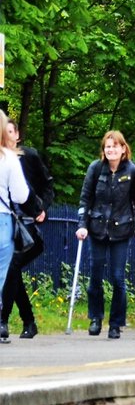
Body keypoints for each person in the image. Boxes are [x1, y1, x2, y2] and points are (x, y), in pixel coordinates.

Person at [75, 130, 135, 339]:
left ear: (123, 149)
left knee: (118, 277)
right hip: (97, 228)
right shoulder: (96, 169)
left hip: (121, 229)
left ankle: (116, 323)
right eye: (107, 147)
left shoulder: (132, 170)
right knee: (95, 274)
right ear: (103, 149)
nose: (111, 150)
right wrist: (82, 224)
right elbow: (85, 199)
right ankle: (95, 318)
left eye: (115, 146)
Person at [0, 119, 53, 341]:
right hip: (9, 222)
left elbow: (47, 184)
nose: (10, 136)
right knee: (12, 272)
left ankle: (4, 321)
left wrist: (42, 208)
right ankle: (27, 321)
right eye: (6, 131)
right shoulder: (6, 158)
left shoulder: (28, 156)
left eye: (12, 132)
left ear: (17, 135)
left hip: (27, 229)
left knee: (11, 269)